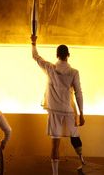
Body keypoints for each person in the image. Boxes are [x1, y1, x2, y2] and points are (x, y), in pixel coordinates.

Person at [31, 35, 85, 175]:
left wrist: (33, 42)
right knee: (74, 135)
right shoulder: (74, 72)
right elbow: (79, 93)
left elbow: (36, 56)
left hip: (54, 111)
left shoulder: (50, 68)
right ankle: (81, 159)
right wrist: (82, 113)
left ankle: (55, 173)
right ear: (68, 55)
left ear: (57, 55)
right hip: (68, 110)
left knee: (55, 145)